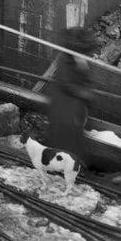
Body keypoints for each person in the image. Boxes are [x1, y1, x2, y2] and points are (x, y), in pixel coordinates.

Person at [47, 27, 98, 159]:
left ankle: (73, 160)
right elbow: (65, 83)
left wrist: (88, 91)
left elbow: (88, 80)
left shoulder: (83, 60)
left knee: (74, 135)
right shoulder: (64, 60)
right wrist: (84, 93)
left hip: (75, 106)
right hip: (63, 103)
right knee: (63, 136)